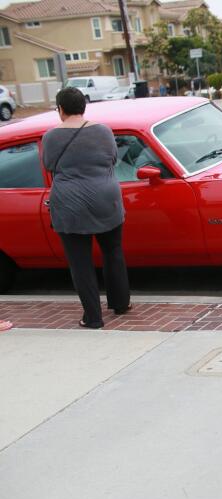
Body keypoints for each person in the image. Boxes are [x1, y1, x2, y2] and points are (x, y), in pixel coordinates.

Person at [42, 87, 131, 329]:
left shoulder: (51, 136)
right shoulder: (103, 131)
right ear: (83, 106)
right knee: (113, 251)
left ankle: (93, 317)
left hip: (70, 204)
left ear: (60, 109)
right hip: (107, 198)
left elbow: (49, 165)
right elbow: (112, 159)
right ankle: (120, 304)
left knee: (80, 262)